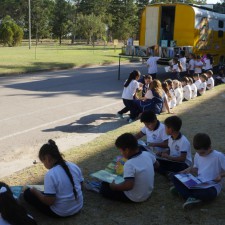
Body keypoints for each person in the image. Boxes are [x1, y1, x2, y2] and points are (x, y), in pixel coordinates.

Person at [24, 140, 84, 217]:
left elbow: (49, 202)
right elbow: (81, 187)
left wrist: (34, 191)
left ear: (47, 158)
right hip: (78, 207)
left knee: (27, 193)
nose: (44, 164)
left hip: (61, 212)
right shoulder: (73, 166)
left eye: (43, 161)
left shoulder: (50, 174)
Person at [170, 133, 225, 209]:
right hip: (199, 182)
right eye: (198, 152)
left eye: (202, 152)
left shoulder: (219, 156)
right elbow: (196, 168)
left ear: (209, 147)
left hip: (212, 187)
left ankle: (184, 193)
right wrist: (188, 170)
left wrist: (221, 175)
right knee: (174, 176)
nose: (200, 155)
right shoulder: (197, 154)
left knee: (208, 193)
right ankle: (193, 197)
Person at [100, 133, 155, 202]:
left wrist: (114, 187)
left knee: (104, 187)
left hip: (135, 197)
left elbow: (128, 186)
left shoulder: (129, 164)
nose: (121, 153)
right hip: (148, 193)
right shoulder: (146, 154)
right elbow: (157, 165)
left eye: (121, 150)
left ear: (127, 150)